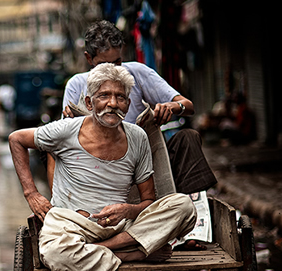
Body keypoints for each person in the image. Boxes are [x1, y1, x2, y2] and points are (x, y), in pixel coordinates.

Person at [9, 63, 197, 271]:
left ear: (128, 104)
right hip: (71, 225)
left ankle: (99, 250)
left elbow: (148, 200)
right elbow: (17, 139)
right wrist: (31, 194)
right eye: (104, 96)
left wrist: (128, 210)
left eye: (120, 97)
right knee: (55, 254)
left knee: (183, 207)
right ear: (89, 102)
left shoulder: (137, 137)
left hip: (118, 229)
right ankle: (130, 255)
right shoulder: (67, 129)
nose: (112, 103)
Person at [61, 20, 216, 251]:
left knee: (188, 138)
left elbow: (187, 104)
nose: (113, 72)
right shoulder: (77, 85)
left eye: (117, 63)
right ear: (89, 59)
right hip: (103, 170)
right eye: (104, 65)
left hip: (147, 162)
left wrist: (172, 108)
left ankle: (193, 226)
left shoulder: (137, 73)